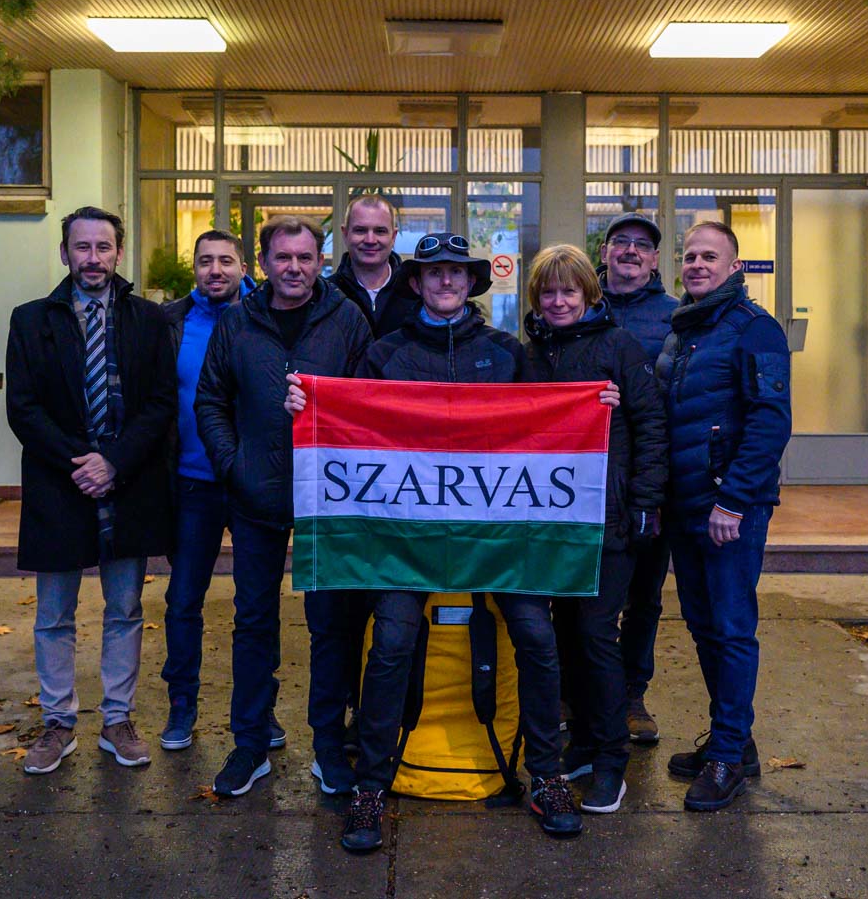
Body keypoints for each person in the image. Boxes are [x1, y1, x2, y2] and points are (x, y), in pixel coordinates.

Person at [285, 233, 607, 852]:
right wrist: (310, 403)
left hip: (496, 539)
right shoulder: (386, 353)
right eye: (433, 273)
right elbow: (349, 427)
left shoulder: (506, 353)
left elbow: (546, 425)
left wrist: (594, 404)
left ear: (472, 281)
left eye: (456, 272)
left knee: (537, 636)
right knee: (391, 643)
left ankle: (546, 775)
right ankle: (371, 783)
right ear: (416, 283)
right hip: (407, 541)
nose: (446, 281)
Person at [194, 216, 373, 799]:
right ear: (264, 263)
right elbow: (211, 399)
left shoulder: (347, 319)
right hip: (256, 493)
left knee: (330, 625)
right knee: (252, 620)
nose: (294, 268)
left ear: (321, 261)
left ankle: (328, 745)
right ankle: (250, 742)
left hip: (327, 498)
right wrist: (234, 465)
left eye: (304, 257)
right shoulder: (238, 322)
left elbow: (368, 401)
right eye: (283, 257)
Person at [6, 205, 176, 775]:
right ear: (65, 253)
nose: (93, 258)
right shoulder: (30, 320)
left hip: (128, 483)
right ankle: (58, 723)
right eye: (82, 247)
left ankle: (117, 720)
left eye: (103, 247)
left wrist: (114, 462)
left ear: (118, 253)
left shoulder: (149, 320)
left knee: (125, 609)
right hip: (60, 484)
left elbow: (161, 404)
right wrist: (81, 463)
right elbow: (23, 409)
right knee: (54, 613)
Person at [523, 244, 667, 815]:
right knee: (562, 633)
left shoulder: (618, 347)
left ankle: (611, 759)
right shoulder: (530, 354)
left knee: (594, 633)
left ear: (589, 293)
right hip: (550, 522)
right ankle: (581, 743)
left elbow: (651, 425)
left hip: (608, 519)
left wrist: (646, 503)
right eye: (549, 292)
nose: (559, 302)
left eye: (569, 291)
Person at [657, 220, 792, 812]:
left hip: (729, 508)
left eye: (710, 257)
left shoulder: (755, 328)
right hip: (685, 504)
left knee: (732, 628)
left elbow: (771, 420)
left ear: (734, 267)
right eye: (690, 256)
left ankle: (728, 757)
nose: (697, 265)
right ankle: (733, 740)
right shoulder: (683, 329)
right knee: (703, 625)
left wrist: (733, 500)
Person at [157, 230, 256, 752]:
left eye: (225, 261)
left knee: (255, 604)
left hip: (251, 483)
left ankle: (257, 710)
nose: (215, 270)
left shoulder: (265, 317)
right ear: (194, 267)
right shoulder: (170, 322)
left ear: (244, 267)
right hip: (191, 482)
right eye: (205, 261)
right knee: (182, 600)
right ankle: (182, 705)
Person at [596, 212, 679, 746]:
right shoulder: (578, 306)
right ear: (604, 252)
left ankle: (632, 695)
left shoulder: (678, 317)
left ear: (653, 259)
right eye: (620, 241)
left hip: (652, 475)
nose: (630, 251)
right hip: (587, 478)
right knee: (583, 595)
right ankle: (576, 692)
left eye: (642, 245)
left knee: (644, 597)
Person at [332, 193, 417, 338]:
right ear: (345, 234)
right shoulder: (327, 295)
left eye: (380, 231)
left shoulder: (416, 294)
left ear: (393, 236)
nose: (370, 240)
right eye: (360, 230)